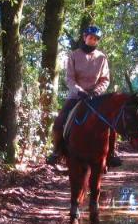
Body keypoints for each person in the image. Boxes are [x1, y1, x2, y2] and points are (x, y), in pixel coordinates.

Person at [47, 25, 122, 167]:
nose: (93, 41)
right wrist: (79, 91)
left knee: (111, 122)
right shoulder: (74, 55)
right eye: (91, 38)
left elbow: (105, 79)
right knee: (59, 120)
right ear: (84, 37)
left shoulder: (102, 58)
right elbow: (69, 78)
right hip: (76, 96)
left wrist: (96, 92)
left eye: (96, 39)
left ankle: (112, 153)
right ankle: (57, 151)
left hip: (96, 97)